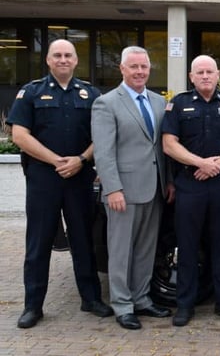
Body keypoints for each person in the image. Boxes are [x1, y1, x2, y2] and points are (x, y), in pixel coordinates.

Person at [7, 39, 113, 329]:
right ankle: (33, 306)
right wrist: (57, 161)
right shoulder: (31, 92)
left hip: (80, 177)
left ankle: (91, 299)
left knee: (83, 240)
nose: (63, 59)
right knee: (39, 242)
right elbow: (20, 136)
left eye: (68, 55)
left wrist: (81, 159)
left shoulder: (91, 94)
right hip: (44, 178)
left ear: (76, 60)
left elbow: (102, 135)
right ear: (48, 60)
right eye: (57, 55)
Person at [162, 55, 220, 327]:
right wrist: (200, 163)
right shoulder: (178, 104)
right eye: (199, 72)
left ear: (218, 74)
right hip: (189, 183)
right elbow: (169, 144)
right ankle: (185, 305)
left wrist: (218, 164)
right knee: (187, 245)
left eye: (209, 72)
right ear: (191, 77)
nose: (204, 76)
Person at [91, 46, 175, 330]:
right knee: (121, 251)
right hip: (123, 192)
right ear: (122, 69)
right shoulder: (106, 103)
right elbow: (103, 152)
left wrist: (169, 180)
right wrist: (112, 188)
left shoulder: (158, 101)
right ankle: (122, 305)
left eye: (144, 67)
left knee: (145, 249)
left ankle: (141, 299)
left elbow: (162, 147)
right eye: (134, 66)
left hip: (154, 188)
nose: (140, 72)